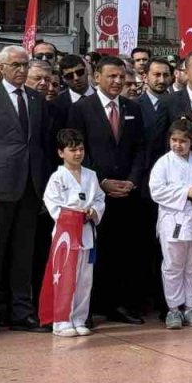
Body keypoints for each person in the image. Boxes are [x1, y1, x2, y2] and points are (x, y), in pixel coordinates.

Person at [0, 46, 52, 338]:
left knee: (23, 255)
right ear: (1, 68)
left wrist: (45, 189)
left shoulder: (36, 100)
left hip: (30, 188)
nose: (21, 69)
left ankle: (22, 313)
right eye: (15, 64)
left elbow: (41, 146)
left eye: (25, 64)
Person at [65, 55, 148, 326]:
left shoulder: (132, 107)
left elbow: (140, 147)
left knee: (122, 251)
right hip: (94, 193)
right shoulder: (81, 108)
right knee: (92, 252)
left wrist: (132, 180)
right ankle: (87, 308)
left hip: (126, 192)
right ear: (97, 77)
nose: (117, 81)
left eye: (121, 76)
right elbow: (77, 150)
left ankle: (118, 304)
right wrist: (100, 181)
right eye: (111, 76)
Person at [149, 117, 192, 330]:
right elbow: (156, 191)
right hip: (173, 222)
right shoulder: (164, 163)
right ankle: (173, 309)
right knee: (173, 266)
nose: (178, 145)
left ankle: (190, 307)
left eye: (183, 141)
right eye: (174, 140)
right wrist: (187, 192)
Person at [41, 128, 106, 337]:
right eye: (72, 150)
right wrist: (74, 214)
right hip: (66, 237)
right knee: (65, 277)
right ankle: (61, 321)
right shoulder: (57, 178)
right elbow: (52, 204)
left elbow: (100, 199)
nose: (78, 153)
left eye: (80, 149)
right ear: (61, 153)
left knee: (84, 279)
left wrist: (93, 211)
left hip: (86, 233)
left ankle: (79, 318)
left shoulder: (91, 175)